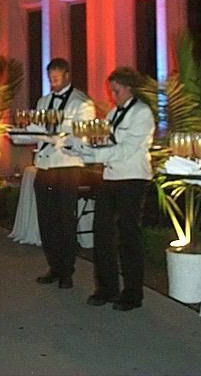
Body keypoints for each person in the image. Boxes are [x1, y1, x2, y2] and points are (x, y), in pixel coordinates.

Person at [68, 67, 155, 311]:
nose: (112, 95)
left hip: (133, 178)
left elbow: (127, 149)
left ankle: (133, 293)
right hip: (110, 177)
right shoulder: (114, 113)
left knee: (128, 235)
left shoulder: (142, 113)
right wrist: (83, 148)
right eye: (111, 91)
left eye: (116, 91)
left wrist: (95, 154)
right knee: (102, 231)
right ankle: (106, 287)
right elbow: (104, 140)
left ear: (129, 88)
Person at [11, 58, 95, 289]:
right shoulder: (44, 101)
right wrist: (24, 132)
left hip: (67, 166)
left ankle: (67, 270)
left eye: (57, 78)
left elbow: (82, 137)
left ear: (67, 75)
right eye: (51, 79)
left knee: (65, 220)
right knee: (47, 220)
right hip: (45, 165)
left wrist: (54, 137)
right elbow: (38, 130)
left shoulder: (82, 103)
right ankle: (54, 266)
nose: (53, 82)